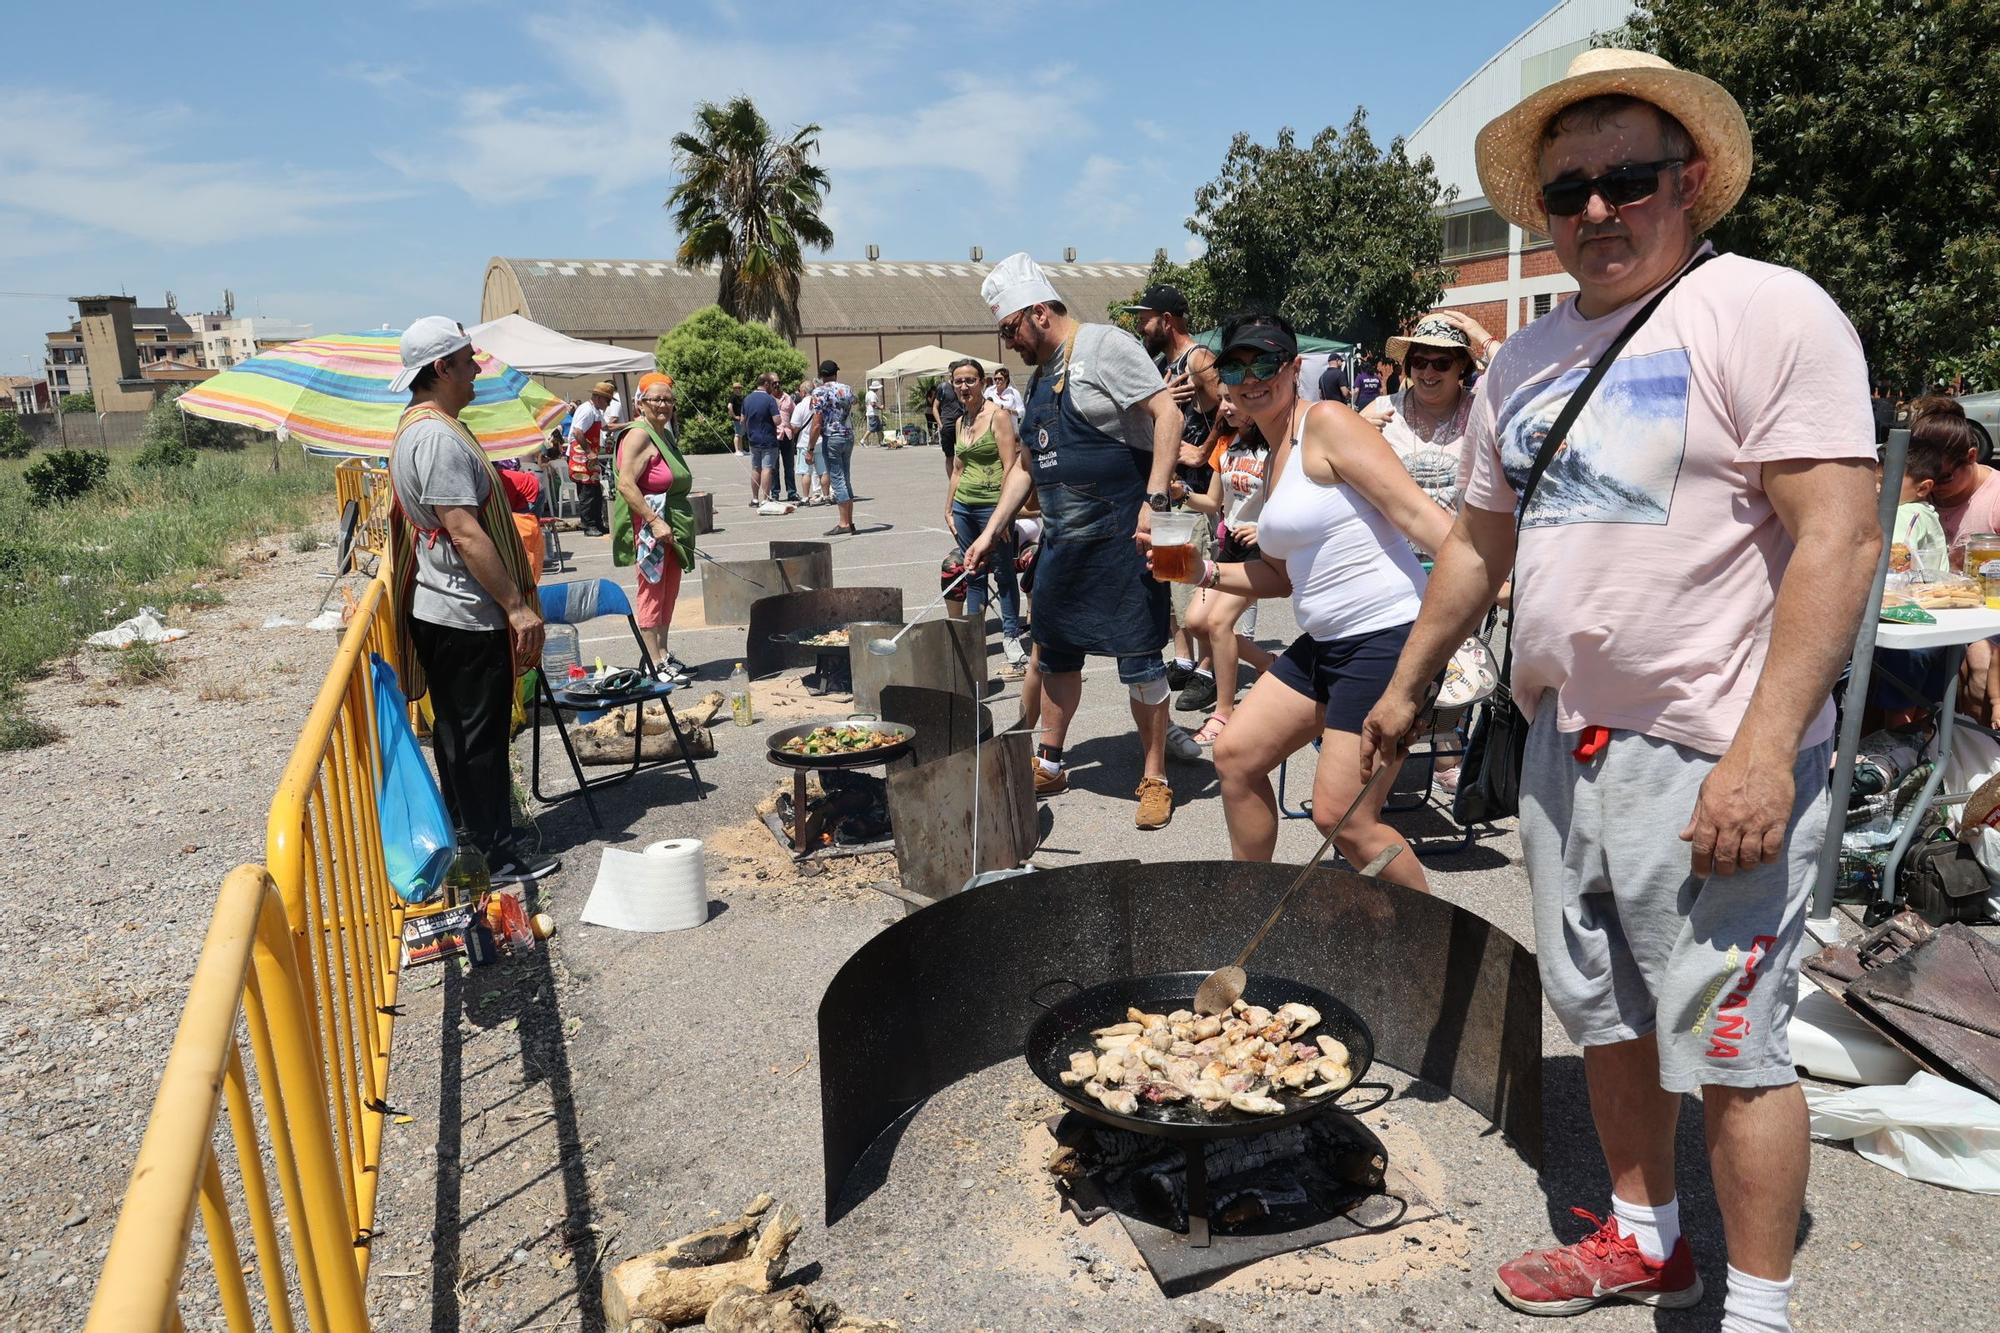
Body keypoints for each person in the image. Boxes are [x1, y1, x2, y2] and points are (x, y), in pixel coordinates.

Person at [1359, 50, 1880, 1328]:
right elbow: (1481, 542)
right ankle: (1646, 1239)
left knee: (1733, 1048)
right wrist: (1403, 685)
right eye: (1566, 190)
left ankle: (1755, 1310)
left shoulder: (1765, 311)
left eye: (1625, 179)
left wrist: (1761, 752)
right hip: (1559, 746)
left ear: (1687, 181)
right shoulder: (1521, 361)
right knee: (1601, 1017)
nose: (1595, 210)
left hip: (1708, 751)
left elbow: (1839, 538)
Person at [1169, 313, 1447, 888]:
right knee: (1237, 757)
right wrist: (1204, 571)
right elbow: (1279, 577)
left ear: (1295, 367)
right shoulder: (1273, 460)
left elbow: (1419, 515)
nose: (1251, 378)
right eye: (1235, 367)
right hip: (1325, 644)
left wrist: (1493, 586)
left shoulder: (1326, 422)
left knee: (1345, 819)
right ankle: (1251, 909)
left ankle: (1431, 948)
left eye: (1265, 362)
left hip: (1386, 637)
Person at [963, 252, 1184, 830]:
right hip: (1064, 543)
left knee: (1140, 661)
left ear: (1038, 312)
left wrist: (1154, 499)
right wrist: (991, 531)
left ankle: (1155, 776)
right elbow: (1027, 468)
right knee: (1056, 653)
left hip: (1123, 539)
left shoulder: (1104, 347)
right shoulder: (1038, 380)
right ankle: (1051, 759)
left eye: (1010, 328)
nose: (1008, 343)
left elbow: (1167, 415)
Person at [385, 317, 557, 887]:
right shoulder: (435, 436)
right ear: (442, 369)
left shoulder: (424, 427)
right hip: (462, 612)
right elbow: (463, 529)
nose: (477, 369)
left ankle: (472, 842)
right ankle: (497, 854)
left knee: (461, 737)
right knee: (477, 740)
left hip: (445, 610)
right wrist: (515, 605)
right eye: (467, 361)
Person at [1177, 390, 1275, 746]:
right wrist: (1182, 493)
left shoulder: (1277, 447)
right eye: (1222, 399)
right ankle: (1266, 662)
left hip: (1261, 550)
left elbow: (1292, 503)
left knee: (1218, 623)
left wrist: (1265, 528)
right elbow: (1213, 502)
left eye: (1232, 400)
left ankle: (1223, 713)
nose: (1224, 407)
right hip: (1230, 546)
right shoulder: (1226, 445)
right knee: (1196, 621)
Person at [1363, 311, 1495, 524]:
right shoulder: (1380, 410)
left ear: (1461, 364)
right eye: (1419, 362)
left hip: (1461, 550)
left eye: (1441, 363)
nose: (1428, 373)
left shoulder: (1481, 411)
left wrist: (1486, 340)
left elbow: (1529, 391)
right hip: (1393, 551)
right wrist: (1355, 437)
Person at [942, 357, 1030, 671]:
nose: (963, 386)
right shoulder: (959, 422)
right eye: (958, 381)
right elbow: (958, 468)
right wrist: (949, 506)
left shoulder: (1000, 417)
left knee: (1004, 574)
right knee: (973, 574)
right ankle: (975, 639)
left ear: (983, 383)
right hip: (965, 507)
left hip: (993, 508)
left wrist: (1004, 516)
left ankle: (1010, 637)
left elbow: (1011, 466)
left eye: (970, 380)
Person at [611, 372, 696, 684]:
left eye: (668, 399)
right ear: (640, 403)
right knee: (651, 591)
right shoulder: (638, 435)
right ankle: (652, 662)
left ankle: (662, 652)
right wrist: (654, 520)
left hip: (670, 524)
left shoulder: (662, 432)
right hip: (650, 527)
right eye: (656, 399)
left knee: (668, 591)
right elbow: (625, 484)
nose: (663, 405)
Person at [1903, 404, 1997, 543]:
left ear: (1971, 456)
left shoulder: (1995, 501)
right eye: (1923, 480)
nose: (1931, 488)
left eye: (1943, 478)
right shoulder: (1913, 490)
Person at [807, 360, 859, 536]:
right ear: (836, 373)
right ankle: (849, 521)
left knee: (837, 479)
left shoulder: (819, 391)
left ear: (821, 375)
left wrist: (810, 448)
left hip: (832, 437)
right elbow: (855, 400)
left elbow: (816, 422)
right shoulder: (845, 388)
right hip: (848, 435)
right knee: (846, 477)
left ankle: (844, 523)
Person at [565, 380, 615, 535]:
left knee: (596, 492)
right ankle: (588, 526)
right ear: (599, 398)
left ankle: (598, 523)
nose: (608, 405)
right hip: (581, 457)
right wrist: (589, 452)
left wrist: (627, 425)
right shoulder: (586, 410)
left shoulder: (596, 411)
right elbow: (577, 432)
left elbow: (606, 427)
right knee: (587, 493)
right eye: (607, 401)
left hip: (589, 458)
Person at [741, 373, 785, 506]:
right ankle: (765, 498)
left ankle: (754, 498)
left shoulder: (747, 399)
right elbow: (777, 421)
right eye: (771, 384)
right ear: (766, 384)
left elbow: (742, 421)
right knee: (767, 468)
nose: (773, 387)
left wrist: (748, 432)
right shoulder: (769, 400)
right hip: (768, 439)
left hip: (753, 439)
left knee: (755, 468)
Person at [792, 378, 828, 504]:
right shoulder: (819, 403)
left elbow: (795, 427)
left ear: (802, 392)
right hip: (820, 440)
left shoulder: (800, 406)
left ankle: (806, 497)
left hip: (805, 442)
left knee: (805, 472)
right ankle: (826, 495)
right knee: (823, 471)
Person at [775, 380, 802, 503]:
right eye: (774, 384)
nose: (777, 386)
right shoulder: (768, 399)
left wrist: (793, 426)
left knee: (789, 466)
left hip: (787, 434)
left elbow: (795, 412)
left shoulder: (787, 398)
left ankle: (792, 492)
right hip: (774, 435)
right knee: (774, 467)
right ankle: (774, 493)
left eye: (778, 383)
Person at [934, 373, 965, 476]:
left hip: (961, 425)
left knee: (963, 454)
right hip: (947, 425)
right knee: (949, 456)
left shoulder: (962, 387)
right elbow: (935, 407)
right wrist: (940, 423)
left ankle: (963, 479)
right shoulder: (943, 387)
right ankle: (952, 482)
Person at [727, 380, 746, 457]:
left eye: (740, 388)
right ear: (734, 389)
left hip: (740, 419)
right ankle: (737, 450)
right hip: (736, 419)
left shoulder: (739, 397)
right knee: (737, 434)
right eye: (737, 388)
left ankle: (741, 450)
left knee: (740, 434)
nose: (739, 389)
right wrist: (734, 416)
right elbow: (729, 406)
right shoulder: (733, 397)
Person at [865, 379, 885, 446]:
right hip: (873, 413)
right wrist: (880, 408)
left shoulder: (868, 393)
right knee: (871, 429)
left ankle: (881, 442)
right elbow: (873, 404)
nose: (878, 389)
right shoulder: (873, 395)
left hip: (872, 413)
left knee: (879, 428)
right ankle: (862, 440)